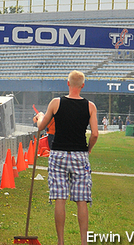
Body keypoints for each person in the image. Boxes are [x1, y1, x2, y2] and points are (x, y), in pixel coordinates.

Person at [35, 70, 99, 245]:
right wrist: (88, 149)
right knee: (82, 199)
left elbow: (41, 126)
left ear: (68, 84)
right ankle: (83, 242)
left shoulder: (56, 103)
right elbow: (94, 134)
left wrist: (40, 116)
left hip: (58, 154)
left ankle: (61, 241)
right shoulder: (90, 106)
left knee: (60, 198)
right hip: (80, 154)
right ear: (83, 85)